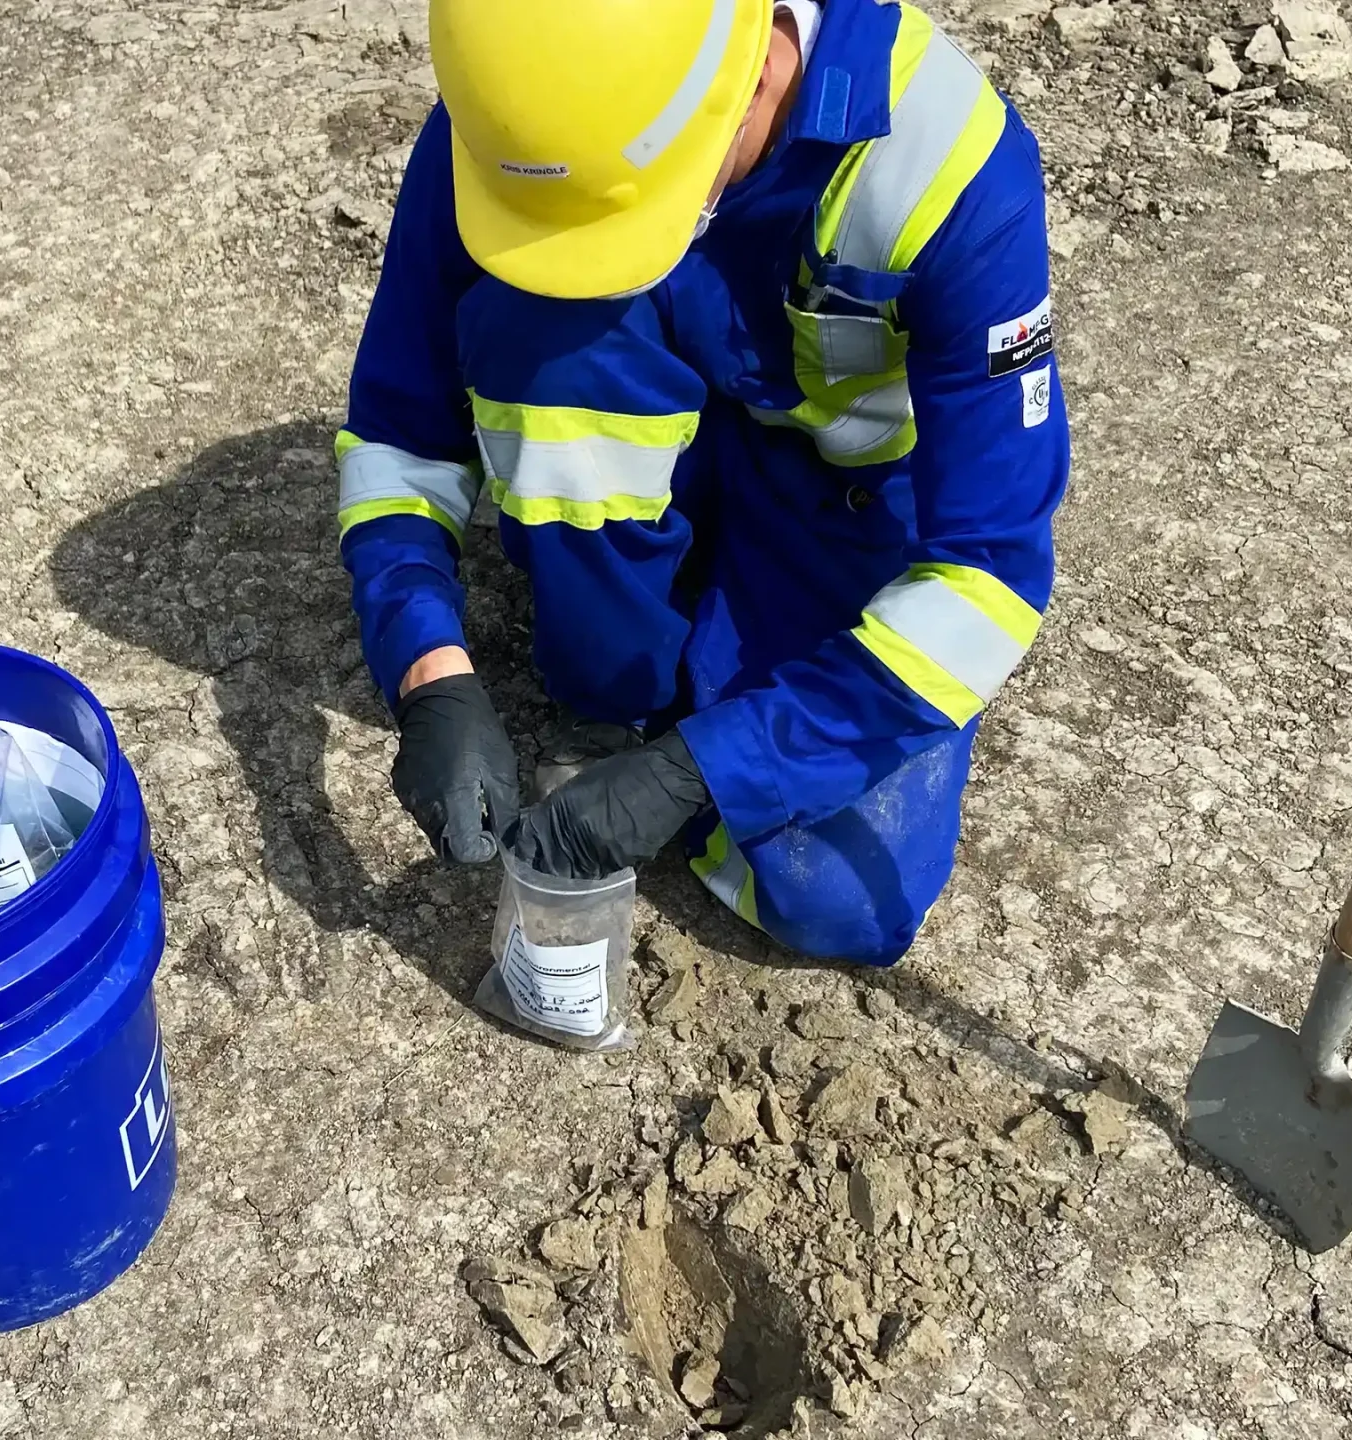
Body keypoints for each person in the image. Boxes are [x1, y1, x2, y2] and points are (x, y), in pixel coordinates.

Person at [335, 0, 1068, 966]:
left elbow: (992, 572)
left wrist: (705, 774)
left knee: (836, 898)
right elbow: (399, 432)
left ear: (756, 76)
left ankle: (690, 708)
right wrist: (427, 669)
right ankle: (604, 696)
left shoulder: (951, 168)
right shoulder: (529, 111)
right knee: (541, 338)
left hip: (836, 505)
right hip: (642, 420)